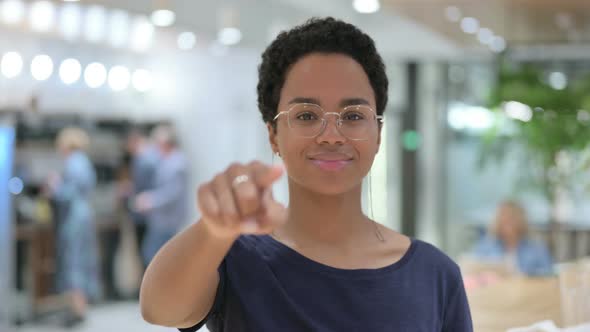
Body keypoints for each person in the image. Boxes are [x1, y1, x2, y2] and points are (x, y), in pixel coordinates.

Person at [140, 17, 472, 331]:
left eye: (353, 115)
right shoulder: (235, 258)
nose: (331, 135)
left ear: (378, 134)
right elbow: (160, 308)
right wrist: (213, 228)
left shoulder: (435, 275)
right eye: (306, 115)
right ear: (273, 134)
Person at [46, 127, 100, 327]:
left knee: (74, 262)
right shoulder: (84, 162)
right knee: (83, 261)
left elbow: (66, 194)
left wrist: (55, 185)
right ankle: (80, 307)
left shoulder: (73, 163)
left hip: (74, 218)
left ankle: (78, 310)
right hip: (84, 215)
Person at [134, 123, 188, 267]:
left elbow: (172, 193)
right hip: (161, 220)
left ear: (165, 143)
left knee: (155, 258)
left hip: (167, 221)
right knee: (153, 256)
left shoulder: (177, 164)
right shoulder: (167, 161)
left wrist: (150, 201)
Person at [472, 200, 554, 276]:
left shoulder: (537, 248)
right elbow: (472, 272)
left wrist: (525, 275)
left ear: (521, 220)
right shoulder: (485, 247)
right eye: (504, 217)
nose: (507, 222)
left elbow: (549, 274)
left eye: (512, 218)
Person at [124, 128, 159, 268]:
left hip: (144, 213)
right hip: (148, 213)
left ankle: (148, 288)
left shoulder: (143, 160)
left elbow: (142, 187)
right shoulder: (151, 158)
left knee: (146, 254)